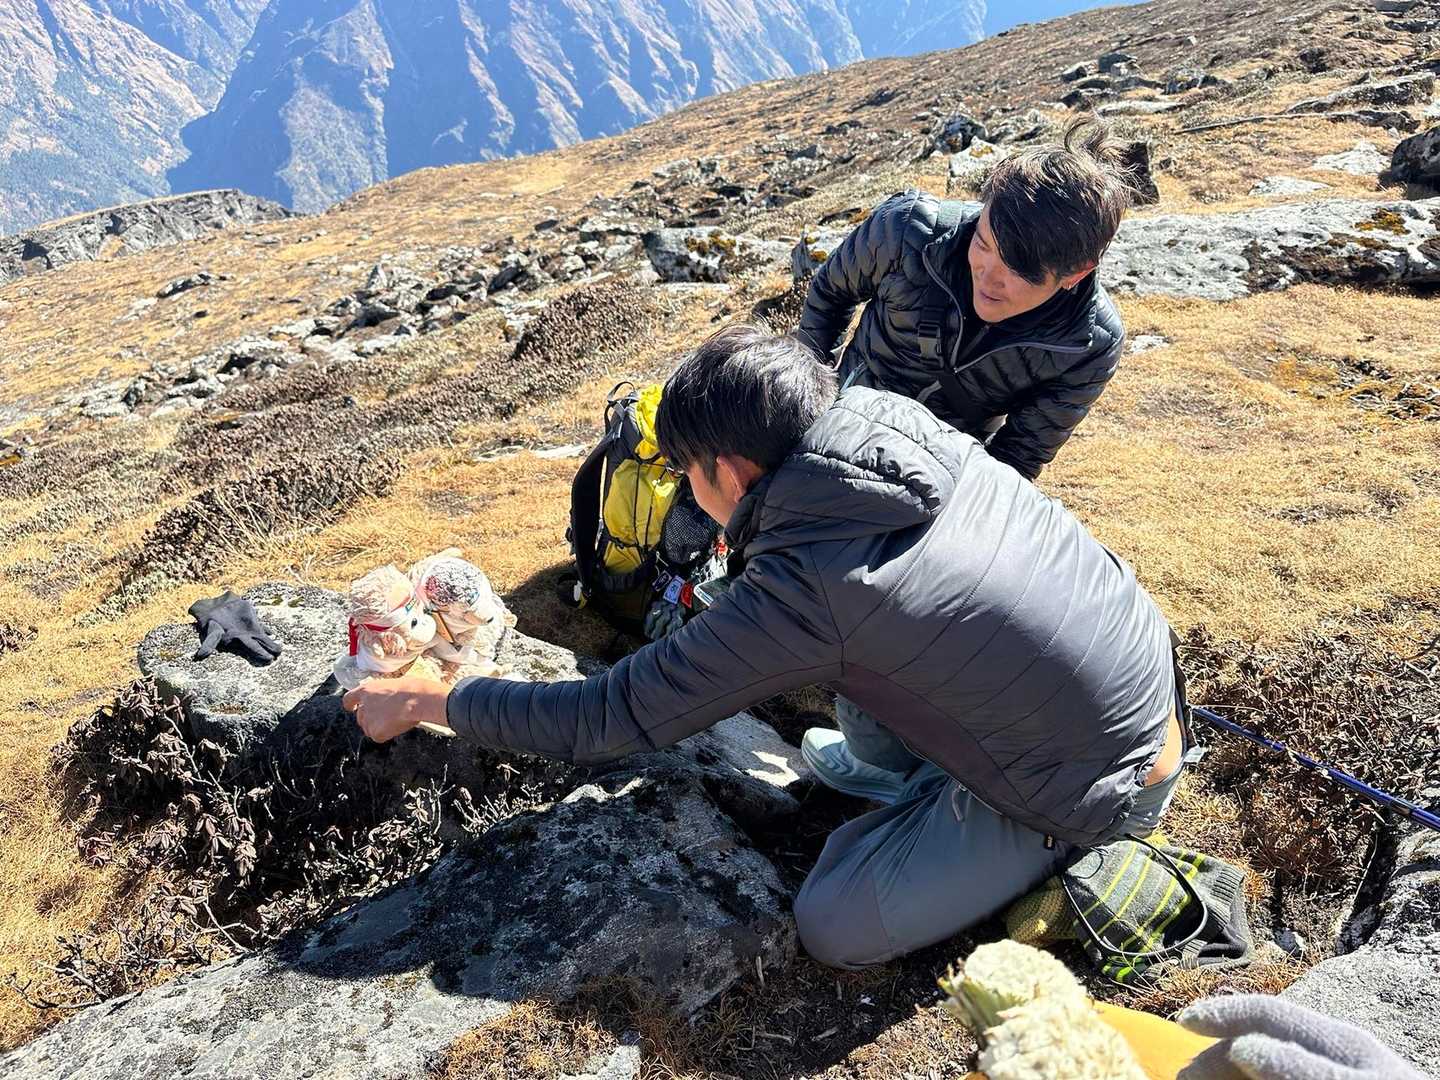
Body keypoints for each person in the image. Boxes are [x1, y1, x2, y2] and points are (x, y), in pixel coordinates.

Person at [342, 324, 1188, 970]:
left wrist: (429, 698)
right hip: (1135, 679)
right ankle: (920, 785)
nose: (684, 488)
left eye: (685, 471)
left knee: (836, 923)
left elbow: (612, 715)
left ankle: (985, 828)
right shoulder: (886, 421)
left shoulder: (810, 588)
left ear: (731, 470)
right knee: (870, 663)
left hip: (1091, 787)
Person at [797, 116, 1134, 483]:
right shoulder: (906, 229)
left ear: (1076, 274)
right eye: (983, 244)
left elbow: (1017, 457)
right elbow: (829, 293)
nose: (987, 276)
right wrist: (810, 398)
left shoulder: (1089, 344)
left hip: (934, 472)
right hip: (840, 416)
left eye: (1017, 269)